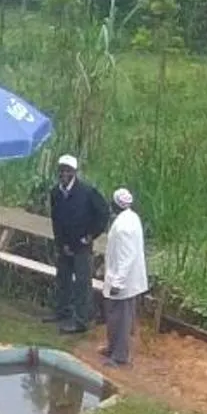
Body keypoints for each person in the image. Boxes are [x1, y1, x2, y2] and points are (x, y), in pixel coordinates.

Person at [46, 153, 109, 335]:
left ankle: (82, 320)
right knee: (63, 279)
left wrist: (91, 235)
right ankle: (62, 311)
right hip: (64, 244)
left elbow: (103, 213)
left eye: (67, 170)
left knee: (82, 282)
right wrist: (61, 243)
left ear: (74, 172)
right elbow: (56, 219)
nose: (64, 173)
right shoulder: (56, 193)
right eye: (61, 170)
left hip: (81, 245)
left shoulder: (87, 192)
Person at [101, 187, 147, 366]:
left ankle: (119, 356)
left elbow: (126, 257)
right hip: (121, 277)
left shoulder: (124, 226)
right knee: (114, 316)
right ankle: (112, 348)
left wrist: (118, 282)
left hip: (124, 281)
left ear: (115, 204)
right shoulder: (130, 217)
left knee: (122, 319)